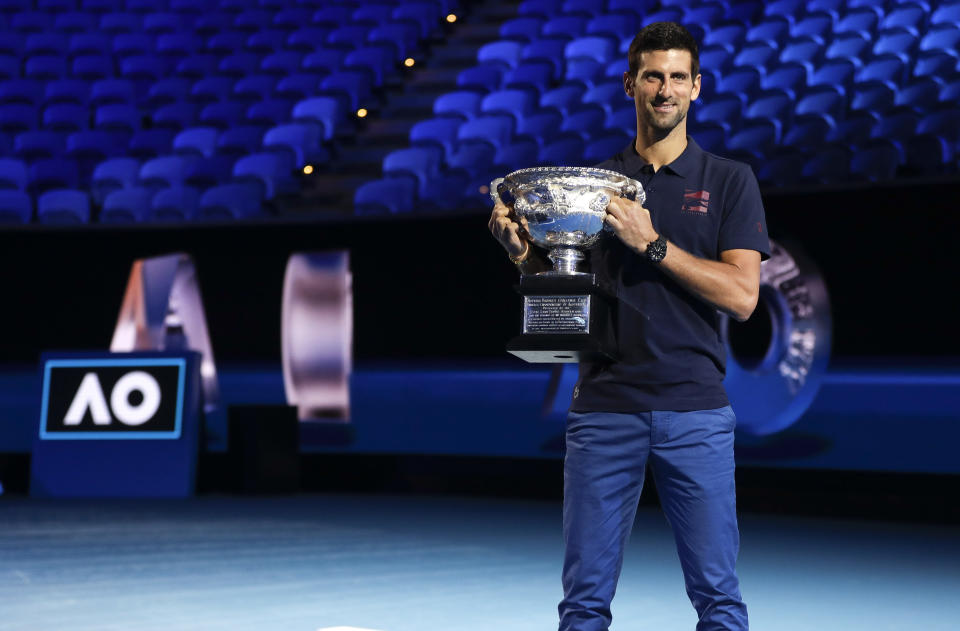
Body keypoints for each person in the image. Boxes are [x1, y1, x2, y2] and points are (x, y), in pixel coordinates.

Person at [488, 22, 770, 631]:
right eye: (651, 76)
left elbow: (744, 298)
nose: (663, 89)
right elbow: (566, 297)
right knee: (583, 606)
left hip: (694, 412)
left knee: (720, 602)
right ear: (630, 85)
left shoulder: (728, 181)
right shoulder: (588, 187)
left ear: (697, 87)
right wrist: (523, 254)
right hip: (603, 411)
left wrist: (653, 244)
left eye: (676, 77)